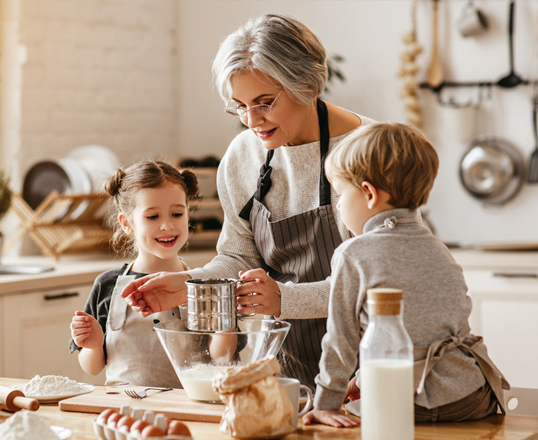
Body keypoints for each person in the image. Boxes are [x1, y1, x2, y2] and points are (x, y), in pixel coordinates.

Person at [121, 14, 375, 389]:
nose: (252, 120)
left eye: (264, 102)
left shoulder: (370, 149)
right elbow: (239, 258)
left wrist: (284, 300)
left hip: (368, 369)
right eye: (238, 105)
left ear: (305, 83)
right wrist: (190, 284)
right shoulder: (243, 156)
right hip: (284, 370)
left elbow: (379, 279)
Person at [303, 122, 508, 427]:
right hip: (471, 396)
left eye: (340, 195)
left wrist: (326, 403)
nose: (339, 206)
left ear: (369, 194)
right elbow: (432, 328)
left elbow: (341, 340)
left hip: (404, 402)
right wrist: (364, 377)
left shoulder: (353, 253)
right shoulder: (438, 248)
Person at [69, 160, 199, 388]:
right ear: (127, 223)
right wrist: (94, 344)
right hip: (123, 410)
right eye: (153, 217)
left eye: (177, 214)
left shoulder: (202, 284)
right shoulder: (107, 284)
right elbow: (93, 368)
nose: (167, 225)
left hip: (185, 409)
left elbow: (221, 357)